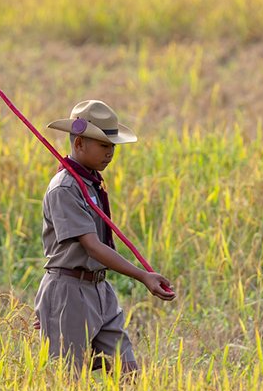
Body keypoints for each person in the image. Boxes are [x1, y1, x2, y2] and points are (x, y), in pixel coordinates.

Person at [35, 99, 176, 374]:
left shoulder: (91, 183)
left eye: (112, 147)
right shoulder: (64, 188)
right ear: (79, 145)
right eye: (104, 146)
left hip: (99, 288)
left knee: (128, 373)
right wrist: (143, 276)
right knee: (67, 381)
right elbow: (92, 246)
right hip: (69, 291)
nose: (110, 154)